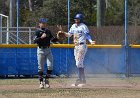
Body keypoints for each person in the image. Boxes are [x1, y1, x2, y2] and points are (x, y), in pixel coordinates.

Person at [63, 13, 95, 87]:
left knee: (79, 63)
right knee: (78, 63)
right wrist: (63, 33)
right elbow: (69, 35)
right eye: (75, 19)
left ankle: (80, 79)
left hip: (82, 46)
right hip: (76, 46)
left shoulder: (84, 26)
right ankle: (82, 80)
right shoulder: (73, 26)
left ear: (81, 19)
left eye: (77, 19)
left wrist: (91, 41)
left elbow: (87, 35)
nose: (76, 20)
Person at [34, 18, 58, 89]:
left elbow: (53, 39)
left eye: (45, 23)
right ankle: (41, 83)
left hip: (48, 50)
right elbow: (34, 41)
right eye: (42, 23)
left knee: (50, 66)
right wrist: (41, 37)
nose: (44, 24)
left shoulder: (48, 31)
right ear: (39, 24)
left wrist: (58, 37)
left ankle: (46, 80)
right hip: (40, 50)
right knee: (40, 67)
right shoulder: (37, 32)